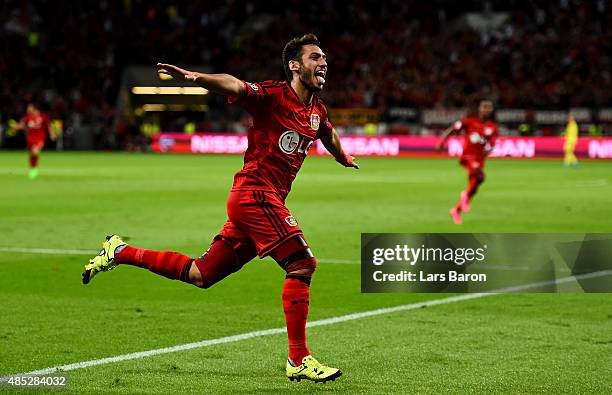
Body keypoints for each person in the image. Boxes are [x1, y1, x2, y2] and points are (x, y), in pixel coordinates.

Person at [82, 34, 358, 383]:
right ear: (294, 65)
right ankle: (299, 359)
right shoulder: (273, 96)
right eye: (315, 57)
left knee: (201, 274)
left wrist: (342, 156)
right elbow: (236, 86)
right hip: (255, 194)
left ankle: (119, 251)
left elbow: (326, 133)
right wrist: (195, 78)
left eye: (324, 58)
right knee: (302, 264)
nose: (323, 63)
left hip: (259, 202)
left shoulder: (317, 109)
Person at [436, 100, 498, 225]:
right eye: (484, 107)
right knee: (480, 176)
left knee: (476, 184)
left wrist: (488, 150)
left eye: (488, 108)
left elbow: (491, 143)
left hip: (479, 158)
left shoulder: (492, 127)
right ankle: (465, 196)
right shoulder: (470, 121)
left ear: (491, 110)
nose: (486, 110)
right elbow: (452, 129)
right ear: (479, 109)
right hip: (468, 156)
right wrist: (442, 142)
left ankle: (456, 210)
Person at [16, 103, 56, 179]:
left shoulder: (43, 117)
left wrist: (52, 134)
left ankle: (34, 169)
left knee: (35, 152)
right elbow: (21, 125)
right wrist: (16, 127)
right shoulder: (27, 117)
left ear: (34, 109)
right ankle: (33, 168)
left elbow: (49, 126)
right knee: (32, 154)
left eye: (29, 108)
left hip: (40, 138)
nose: (27, 109)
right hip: (30, 139)